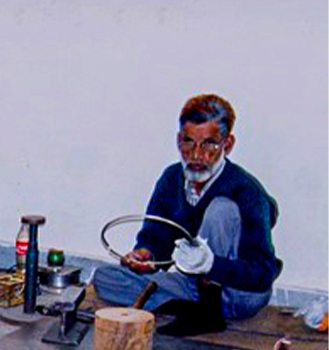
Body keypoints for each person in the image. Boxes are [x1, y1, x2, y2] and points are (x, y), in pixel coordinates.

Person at [93, 94, 280, 337]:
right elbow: (156, 237)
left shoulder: (245, 191)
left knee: (221, 209)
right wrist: (145, 254)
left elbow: (262, 274)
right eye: (188, 142)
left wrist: (212, 264)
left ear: (228, 145)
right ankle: (191, 308)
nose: (196, 155)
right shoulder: (172, 178)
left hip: (238, 293)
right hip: (193, 286)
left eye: (209, 145)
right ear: (178, 140)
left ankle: (207, 312)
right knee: (105, 278)